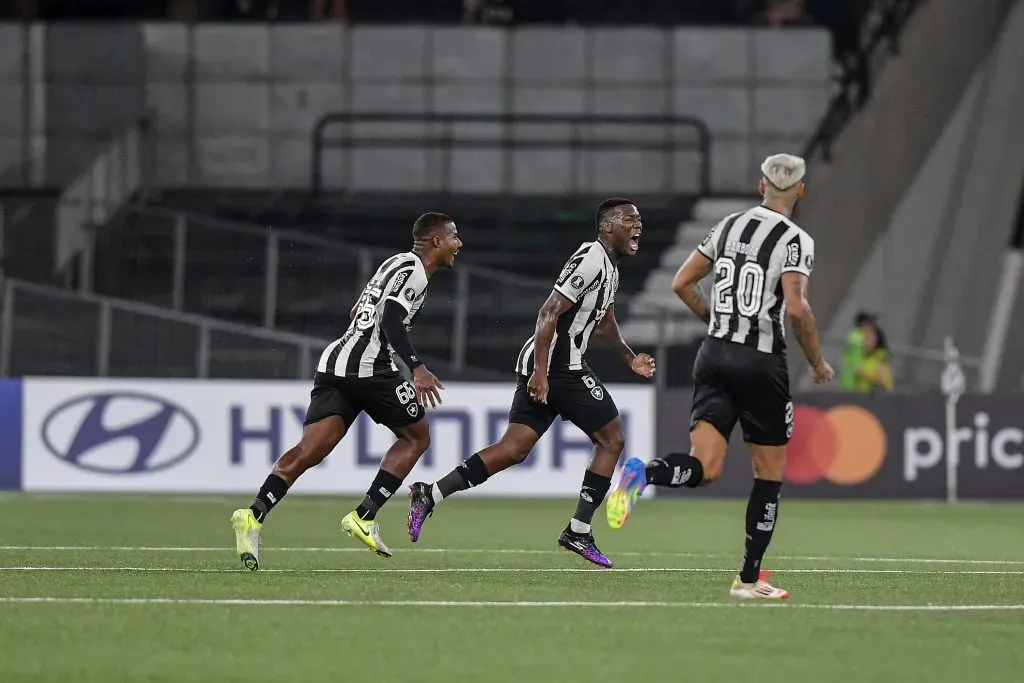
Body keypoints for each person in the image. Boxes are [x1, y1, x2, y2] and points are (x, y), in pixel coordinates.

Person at [606, 154, 834, 599]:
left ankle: (646, 472)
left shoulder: (729, 225)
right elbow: (796, 309)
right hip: (760, 361)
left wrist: (717, 320)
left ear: (759, 185)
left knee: (706, 467)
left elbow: (682, 283)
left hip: (713, 355)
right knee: (768, 472)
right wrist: (817, 361)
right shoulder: (796, 239)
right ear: (801, 190)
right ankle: (748, 580)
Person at [406, 198, 655, 568]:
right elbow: (549, 311)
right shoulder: (590, 259)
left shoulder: (611, 269)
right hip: (557, 366)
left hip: (550, 365)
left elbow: (604, 322)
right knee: (612, 438)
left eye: (640, 220)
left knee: (514, 448)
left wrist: (628, 356)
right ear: (607, 227)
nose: (638, 226)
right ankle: (579, 530)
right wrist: (541, 372)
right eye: (630, 220)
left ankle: (431, 493)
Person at [230, 213, 461, 570]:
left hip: (335, 361)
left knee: (310, 450)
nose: (458, 244)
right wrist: (416, 367)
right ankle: (364, 515)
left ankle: (253, 515)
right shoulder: (415, 272)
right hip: (370, 368)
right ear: (435, 241)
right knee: (416, 437)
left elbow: (360, 310)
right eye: (453, 237)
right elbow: (389, 318)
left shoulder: (393, 263)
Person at [840, 311, 876, 390]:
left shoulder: (854, 336)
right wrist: (875, 378)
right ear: (863, 324)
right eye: (870, 324)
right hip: (853, 387)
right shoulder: (858, 340)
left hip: (849, 384)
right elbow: (856, 367)